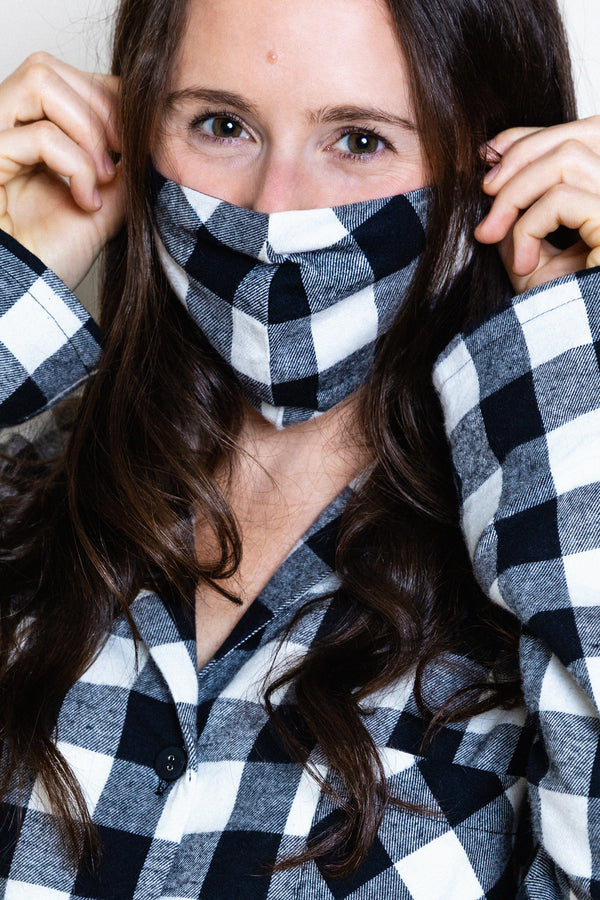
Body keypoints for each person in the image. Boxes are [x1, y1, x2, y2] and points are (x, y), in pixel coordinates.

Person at [0, 0, 599, 896]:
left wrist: (571, 365)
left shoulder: (544, 570)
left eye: (358, 141)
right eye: (221, 125)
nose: (273, 209)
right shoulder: (26, 484)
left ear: (499, 163)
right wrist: (15, 270)